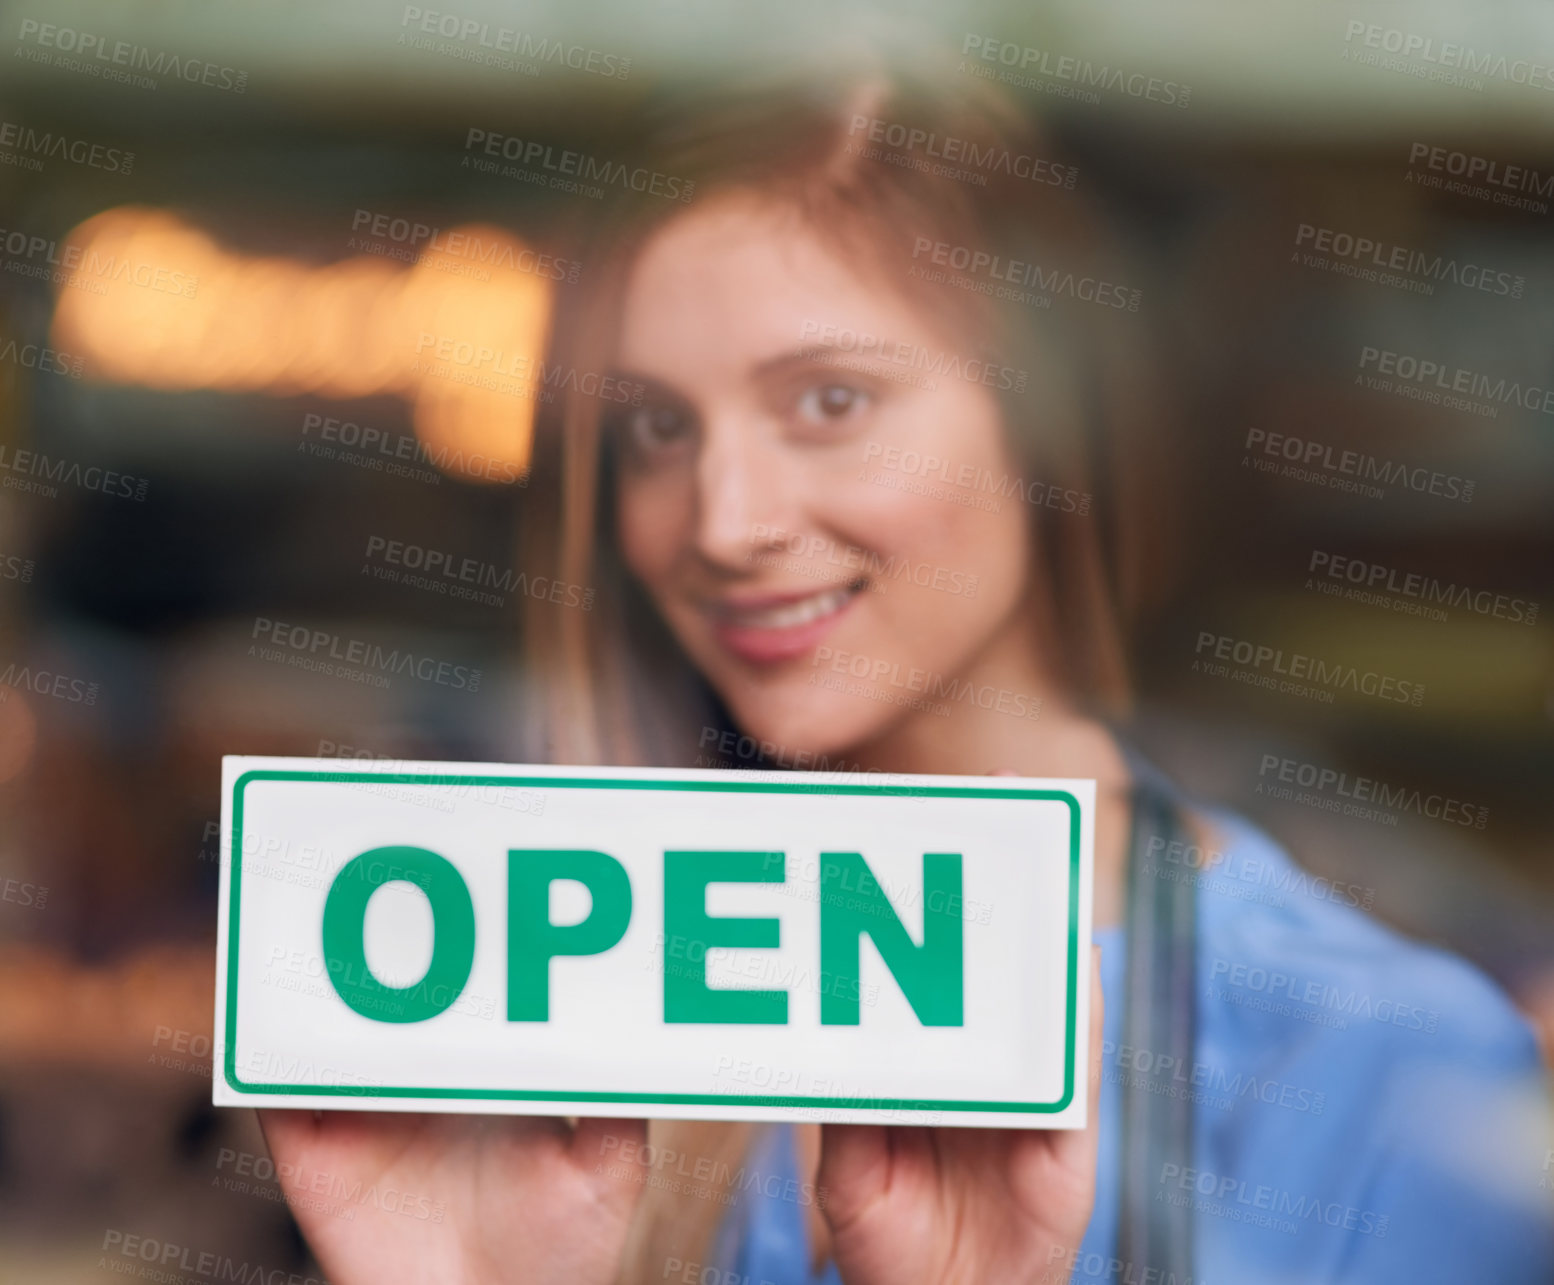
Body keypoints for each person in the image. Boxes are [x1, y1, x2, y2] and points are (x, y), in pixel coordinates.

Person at [260, 47, 1554, 1285]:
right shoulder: (576, 996)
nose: (722, 520)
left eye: (829, 401)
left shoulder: (1376, 1057)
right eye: (655, 426)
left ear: (1049, 428)